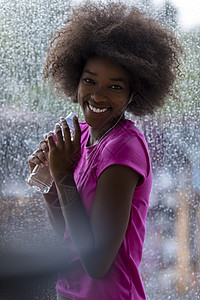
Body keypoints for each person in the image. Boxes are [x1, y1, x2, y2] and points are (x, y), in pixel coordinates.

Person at [28, 1, 182, 299]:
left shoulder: (124, 149)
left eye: (115, 86)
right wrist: (49, 182)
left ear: (133, 93)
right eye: (90, 81)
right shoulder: (81, 136)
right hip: (68, 293)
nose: (97, 95)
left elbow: (96, 263)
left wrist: (62, 175)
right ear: (76, 81)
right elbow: (68, 237)